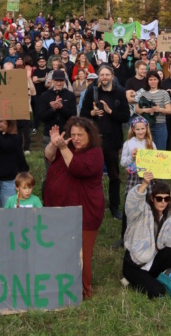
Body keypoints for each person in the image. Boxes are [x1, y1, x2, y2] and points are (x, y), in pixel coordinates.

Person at [44, 117, 104, 298]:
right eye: (73, 135)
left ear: (90, 136)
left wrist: (63, 148)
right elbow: (49, 156)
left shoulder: (95, 153)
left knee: (82, 252)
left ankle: (83, 290)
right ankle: (61, 284)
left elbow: (77, 168)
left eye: (80, 135)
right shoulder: (67, 148)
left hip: (85, 211)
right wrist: (54, 144)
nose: (76, 138)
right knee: (60, 248)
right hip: (60, 210)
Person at [121, 170, 171, 298]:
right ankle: (135, 279)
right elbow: (131, 205)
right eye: (159, 198)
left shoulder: (170, 217)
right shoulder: (141, 212)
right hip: (134, 264)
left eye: (166, 198)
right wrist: (144, 183)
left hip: (152, 261)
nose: (163, 202)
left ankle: (153, 278)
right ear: (152, 198)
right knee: (158, 292)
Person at [79, 65, 131, 219]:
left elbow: (126, 116)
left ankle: (114, 207)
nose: (105, 77)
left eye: (107, 74)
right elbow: (82, 114)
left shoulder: (120, 92)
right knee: (93, 175)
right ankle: (92, 206)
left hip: (113, 140)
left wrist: (111, 112)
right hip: (95, 140)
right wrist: (92, 113)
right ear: (98, 77)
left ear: (113, 75)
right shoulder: (92, 91)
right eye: (102, 75)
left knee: (114, 176)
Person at [0, 119, 27, 209]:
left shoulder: (16, 137)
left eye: (0, 121)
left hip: (9, 179)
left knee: (7, 208)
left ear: (9, 123)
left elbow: (6, 145)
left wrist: (24, 172)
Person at [133, 71, 171, 151]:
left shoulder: (164, 93)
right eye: (150, 79)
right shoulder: (143, 94)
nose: (153, 81)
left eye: (155, 79)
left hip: (160, 125)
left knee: (160, 150)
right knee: (148, 150)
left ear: (158, 80)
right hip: (146, 126)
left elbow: (169, 110)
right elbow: (137, 110)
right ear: (147, 81)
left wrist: (159, 109)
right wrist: (145, 110)